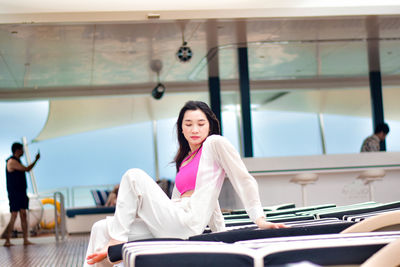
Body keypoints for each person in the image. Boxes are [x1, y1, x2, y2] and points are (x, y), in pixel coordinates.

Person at [85, 101, 287, 266]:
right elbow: (209, 198)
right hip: (172, 219)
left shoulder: (214, 143)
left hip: (185, 223)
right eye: (188, 124)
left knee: (133, 176)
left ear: (210, 125)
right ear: (181, 128)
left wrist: (259, 219)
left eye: (201, 123)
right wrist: (220, 232)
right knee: (101, 227)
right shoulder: (185, 160)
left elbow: (242, 178)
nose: (195, 129)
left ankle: (116, 242)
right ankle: (113, 242)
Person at [4, 142, 40, 247]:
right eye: (22, 149)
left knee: (23, 215)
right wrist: (36, 159)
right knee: (14, 216)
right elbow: (27, 169)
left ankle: (25, 239)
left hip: (22, 193)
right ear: (17, 150)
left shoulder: (18, 161)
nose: (23, 151)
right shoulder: (11, 162)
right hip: (14, 194)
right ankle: (7, 240)